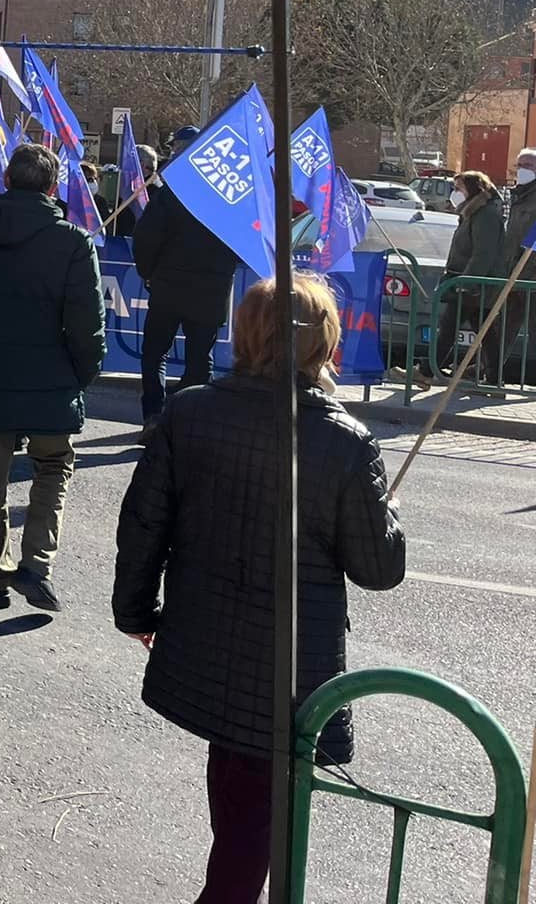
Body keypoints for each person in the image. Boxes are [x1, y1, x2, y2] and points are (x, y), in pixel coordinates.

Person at [114, 275, 406, 902]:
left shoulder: (192, 411)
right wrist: (383, 507)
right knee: (253, 824)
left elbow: (143, 523)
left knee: (239, 798)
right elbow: (381, 568)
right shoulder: (344, 441)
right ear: (324, 346)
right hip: (288, 663)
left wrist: (134, 610)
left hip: (213, 641)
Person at [0, 141, 104, 613]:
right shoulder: (72, 241)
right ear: (53, 187)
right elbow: (87, 322)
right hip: (52, 379)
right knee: (53, 467)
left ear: (6, 180)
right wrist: (82, 373)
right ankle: (37, 565)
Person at [134, 125, 243, 432]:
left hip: (170, 284)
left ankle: (155, 416)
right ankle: (188, 420)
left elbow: (146, 238)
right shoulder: (229, 196)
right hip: (211, 288)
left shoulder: (171, 195)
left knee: (156, 353)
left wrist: (149, 273)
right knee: (199, 357)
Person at [437, 169, 511, 380]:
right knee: (485, 333)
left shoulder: (484, 214)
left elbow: (483, 253)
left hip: (473, 284)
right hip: (468, 282)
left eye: (458, 188)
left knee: (451, 327)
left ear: (472, 189)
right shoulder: (471, 212)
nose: (455, 192)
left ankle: (427, 370)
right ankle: (495, 379)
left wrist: (468, 281)